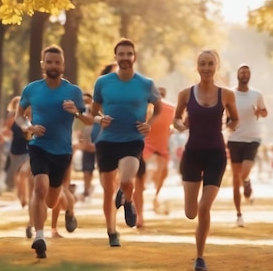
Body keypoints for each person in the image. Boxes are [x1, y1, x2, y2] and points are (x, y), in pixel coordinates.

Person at [16, 44, 87, 259]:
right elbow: (18, 116)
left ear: (63, 65)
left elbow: (88, 118)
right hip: (39, 146)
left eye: (57, 62)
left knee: (52, 200)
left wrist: (76, 112)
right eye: (49, 62)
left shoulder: (73, 91)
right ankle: (40, 237)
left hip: (62, 151)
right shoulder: (32, 89)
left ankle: (70, 208)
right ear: (42, 65)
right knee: (39, 187)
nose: (53, 65)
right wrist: (28, 127)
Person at [173, 49, 239, 271]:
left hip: (216, 156)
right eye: (202, 64)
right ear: (197, 67)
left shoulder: (227, 94)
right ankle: (199, 251)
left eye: (210, 64)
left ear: (216, 67)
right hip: (192, 155)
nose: (206, 68)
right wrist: (180, 125)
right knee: (191, 212)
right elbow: (176, 118)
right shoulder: (185, 94)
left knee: (204, 207)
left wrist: (229, 127)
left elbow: (235, 118)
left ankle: (200, 257)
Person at [92, 38, 162, 246]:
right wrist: (100, 119)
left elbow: (158, 108)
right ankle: (111, 231)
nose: (125, 58)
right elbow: (94, 111)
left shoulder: (146, 84)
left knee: (126, 179)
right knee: (107, 190)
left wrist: (149, 124)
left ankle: (128, 201)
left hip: (132, 139)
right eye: (121, 54)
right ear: (116, 57)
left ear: (134, 57)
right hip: (106, 141)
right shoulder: (103, 82)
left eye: (128, 54)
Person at [226, 64, 267, 227]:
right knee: (236, 180)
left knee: (245, 169)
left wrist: (259, 111)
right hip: (235, 138)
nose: (245, 74)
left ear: (250, 76)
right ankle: (239, 214)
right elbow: (225, 115)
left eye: (247, 72)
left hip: (252, 138)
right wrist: (227, 123)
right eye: (242, 72)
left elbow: (265, 112)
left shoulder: (257, 94)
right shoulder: (230, 94)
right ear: (238, 75)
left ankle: (247, 179)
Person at [132, 87, 176, 227]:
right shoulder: (142, 108)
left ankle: (155, 196)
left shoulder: (170, 109)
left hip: (161, 146)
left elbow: (178, 123)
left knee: (162, 174)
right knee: (139, 180)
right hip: (145, 145)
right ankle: (140, 216)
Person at [4, 96, 34, 238]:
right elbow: (8, 129)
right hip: (15, 151)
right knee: (17, 177)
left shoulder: (31, 117)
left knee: (23, 173)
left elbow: (29, 134)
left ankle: (26, 200)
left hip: (27, 151)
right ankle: (21, 196)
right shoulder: (13, 117)